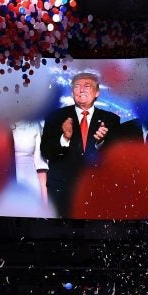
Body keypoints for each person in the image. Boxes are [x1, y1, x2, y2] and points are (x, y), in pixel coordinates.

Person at [40, 72, 120, 218]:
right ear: (72, 92)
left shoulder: (111, 120)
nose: (81, 90)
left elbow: (117, 157)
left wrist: (101, 142)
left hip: (98, 190)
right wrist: (64, 138)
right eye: (77, 86)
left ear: (97, 93)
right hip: (62, 191)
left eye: (87, 86)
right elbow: (45, 151)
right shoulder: (55, 117)